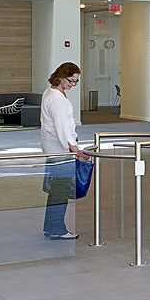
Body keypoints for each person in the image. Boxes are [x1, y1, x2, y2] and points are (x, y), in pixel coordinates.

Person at [40, 62, 90, 239]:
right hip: (60, 150)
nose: (73, 84)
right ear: (60, 76)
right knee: (60, 190)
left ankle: (52, 227)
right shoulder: (58, 99)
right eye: (71, 80)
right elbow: (62, 128)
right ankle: (56, 229)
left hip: (54, 147)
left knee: (57, 190)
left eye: (76, 82)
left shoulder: (51, 92)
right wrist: (75, 149)